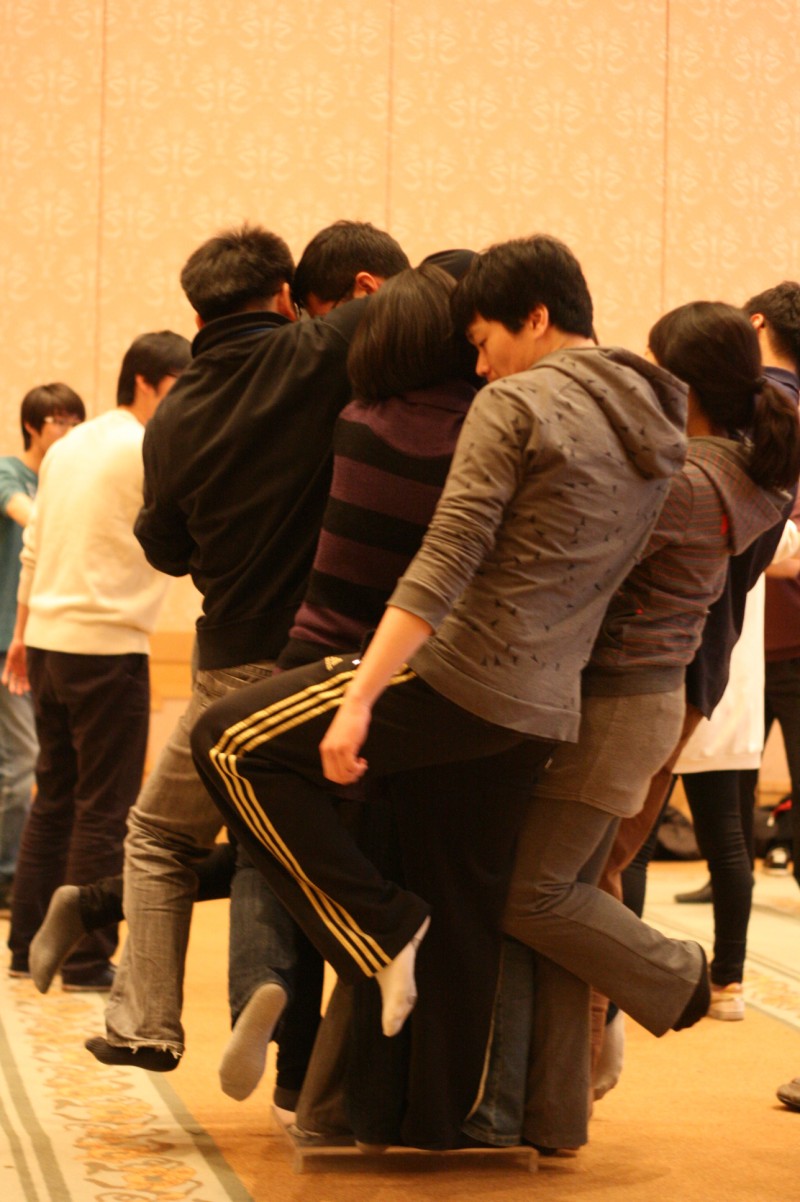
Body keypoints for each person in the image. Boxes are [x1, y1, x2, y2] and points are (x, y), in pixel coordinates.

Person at [191, 234, 696, 1069]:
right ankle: (450, 1100)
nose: (482, 365)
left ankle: (382, 933)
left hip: (461, 674)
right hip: (551, 701)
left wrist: (360, 700)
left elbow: (445, 559)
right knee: (486, 902)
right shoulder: (652, 418)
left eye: (486, 340)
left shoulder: (511, 403)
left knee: (229, 744)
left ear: (536, 317)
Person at [467, 300, 800, 1153]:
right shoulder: (745, 474)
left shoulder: (687, 483)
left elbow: (581, 553)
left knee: (552, 889)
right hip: (663, 690)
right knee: (581, 881)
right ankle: (561, 1105)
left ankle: (666, 980)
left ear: (683, 381)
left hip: (634, 694)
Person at [85, 221, 408, 1089]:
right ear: (285, 297)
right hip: (336, 660)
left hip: (229, 666)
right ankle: (310, 1066)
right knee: (294, 837)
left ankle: (147, 1023)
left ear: (197, 313)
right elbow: (431, 283)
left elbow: (165, 548)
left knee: (162, 834)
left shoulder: (172, 414)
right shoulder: (319, 351)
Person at [4, 332, 189, 989]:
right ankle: (84, 958)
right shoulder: (147, 447)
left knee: (54, 798)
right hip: (107, 649)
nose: (186, 400)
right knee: (106, 809)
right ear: (144, 381)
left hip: (48, 644)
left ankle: (26, 948)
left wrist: (22, 633)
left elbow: (34, 546)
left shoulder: (69, 446)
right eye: (179, 386)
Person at [0, 383, 85, 915]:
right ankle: (8, 877)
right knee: (22, 762)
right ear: (33, 426)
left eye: (76, 422)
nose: (69, 431)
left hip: (47, 643)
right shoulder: (10, 472)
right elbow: (25, 516)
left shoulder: (65, 481)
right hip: (7, 642)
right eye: (59, 421)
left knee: (37, 763)